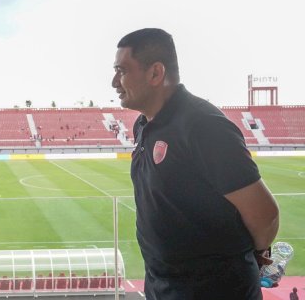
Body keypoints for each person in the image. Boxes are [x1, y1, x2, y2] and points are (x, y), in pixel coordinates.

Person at [111, 28, 279, 299]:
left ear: (155, 73)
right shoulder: (144, 126)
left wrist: (253, 255)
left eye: (121, 71)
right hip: (162, 286)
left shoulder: (203, 125)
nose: (114, 82)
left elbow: (265, 214)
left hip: (214, 290)